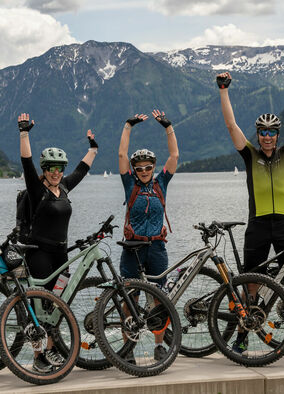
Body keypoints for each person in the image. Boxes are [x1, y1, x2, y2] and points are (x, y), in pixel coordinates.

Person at [217, 71, 284, 353]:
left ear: (277, 135)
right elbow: (230, 125)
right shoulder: (249, 155)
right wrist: (224, 90)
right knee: (250, 284)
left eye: (271, 132)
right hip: (258, 225)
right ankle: (241, 337)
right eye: (262, 132)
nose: (266, 137)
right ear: (258, 134)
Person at [16, 112, 97, 372]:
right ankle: (37, 355)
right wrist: (24, 133)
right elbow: (26, 162)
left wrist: (93, 149)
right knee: (39, 307)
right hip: (39, 254)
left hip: (61, 255)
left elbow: (81, 170)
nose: (56, 172)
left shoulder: (64, 187)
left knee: (56, 306)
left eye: (59, 168)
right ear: (44, 169)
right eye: (51, 168)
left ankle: (51, 350)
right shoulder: (36, 189)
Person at [117, 109, 179, 362]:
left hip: (156, 248)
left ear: (154, 167)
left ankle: (158, 346)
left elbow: (174, 155)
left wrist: (168, 127)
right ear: (134, 169)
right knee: (129, 300)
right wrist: (128, 126)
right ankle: (128, 348)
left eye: (148, 167)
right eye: (139, 167)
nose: (143, 170)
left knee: (158, 299)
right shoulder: (129, 184)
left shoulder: (160, 183)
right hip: (132, 248)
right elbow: (121, 153)